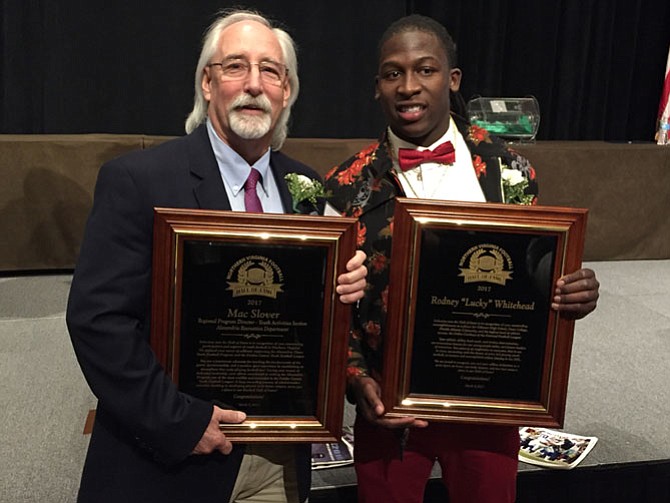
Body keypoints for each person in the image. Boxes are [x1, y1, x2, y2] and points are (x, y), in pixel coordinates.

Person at [66, 9, 366, 503]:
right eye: (235, 67)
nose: (253, 84)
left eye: (270, 70)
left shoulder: (308, 189)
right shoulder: (140, 181)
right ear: (208, 83)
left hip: (280, 460)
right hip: (171, 461)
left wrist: (342, 289)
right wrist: (180, 422)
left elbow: (307, 322)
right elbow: (98, 323)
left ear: (286, 90)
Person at [324, 14, 600, 503]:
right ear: (377, 87)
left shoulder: (509, 170)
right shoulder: (346, 186)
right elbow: (333, 307)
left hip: (487, 405)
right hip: (390, 408)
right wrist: (356, 379)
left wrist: (568, 289)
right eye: (393, 73)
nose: (408, 86)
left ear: (452, 80)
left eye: (425, 70)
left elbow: (532, 278)